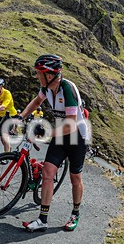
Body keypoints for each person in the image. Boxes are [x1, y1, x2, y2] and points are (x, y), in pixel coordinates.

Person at [19, 54, 89, 232]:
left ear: (49, 75)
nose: (36, 76)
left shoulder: (67, 89)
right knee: (48, 173)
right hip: (61, 134)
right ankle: (42, 219)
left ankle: (75, 213)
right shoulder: (47, 88)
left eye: (38, 73)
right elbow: (36, 102)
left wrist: (46, 134)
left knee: (75, 178)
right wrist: (20, 117)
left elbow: (71, 125)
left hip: (77, 137)